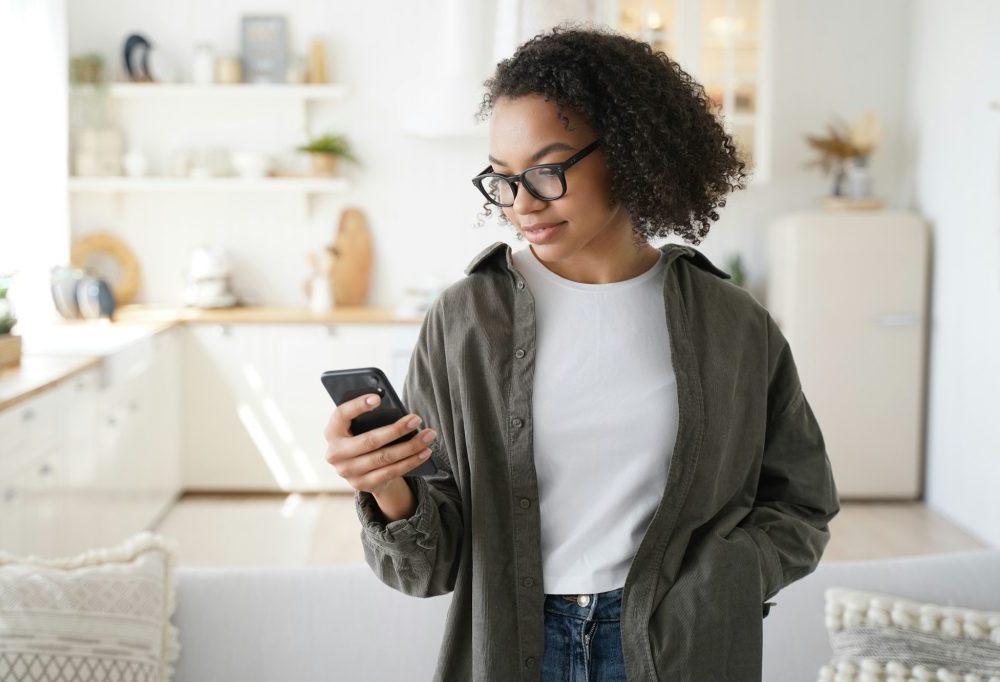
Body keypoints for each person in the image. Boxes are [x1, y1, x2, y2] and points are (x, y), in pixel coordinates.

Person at [323, 22, 840, 682]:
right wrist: (384, 484)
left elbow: (802, 502)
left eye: (547, 169)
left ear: (626, 150)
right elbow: (430, 567)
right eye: (503, 179)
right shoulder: (464, 322)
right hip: (516, 647)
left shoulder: (734, 325)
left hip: (677, 650)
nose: (521, 203)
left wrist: (727, 578)